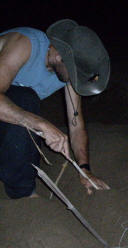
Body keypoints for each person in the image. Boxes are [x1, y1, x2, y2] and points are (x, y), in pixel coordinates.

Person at [0, 19, 110, 198]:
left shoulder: (67, 75)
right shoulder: (25, 44)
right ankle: (23, 195)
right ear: (59, 54)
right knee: (25, 100)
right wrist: (42, 124)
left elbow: (76, 127)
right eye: (74, 73)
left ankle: (21, 181)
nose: (73, 80)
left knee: (27, 117)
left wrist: (85, 170)